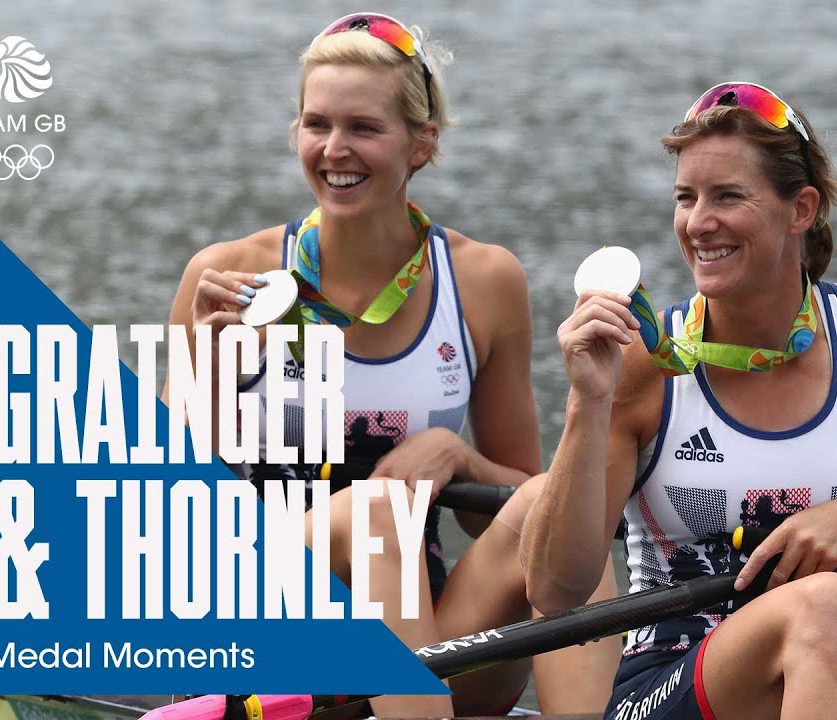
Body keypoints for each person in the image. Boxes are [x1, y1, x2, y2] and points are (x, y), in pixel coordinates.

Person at [163, 12, 619, 718]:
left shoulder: (485, 281)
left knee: (546, 508)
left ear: (422, 144)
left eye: (363, 128)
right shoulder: (228, 276)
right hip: (254, 625)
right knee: (379, 513)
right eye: (316, 125)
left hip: (423, 636)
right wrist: (215, 378)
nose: (334, 150)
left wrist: (460, 459)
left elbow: (515, 493)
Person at [521, 82, 837, 720]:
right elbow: (553, 591)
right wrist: (587, 403)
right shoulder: (644, 360)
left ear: (800, 209)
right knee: (825, 602)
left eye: (728, 196)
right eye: (686, 198)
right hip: (670, 681)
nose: (698, 223)